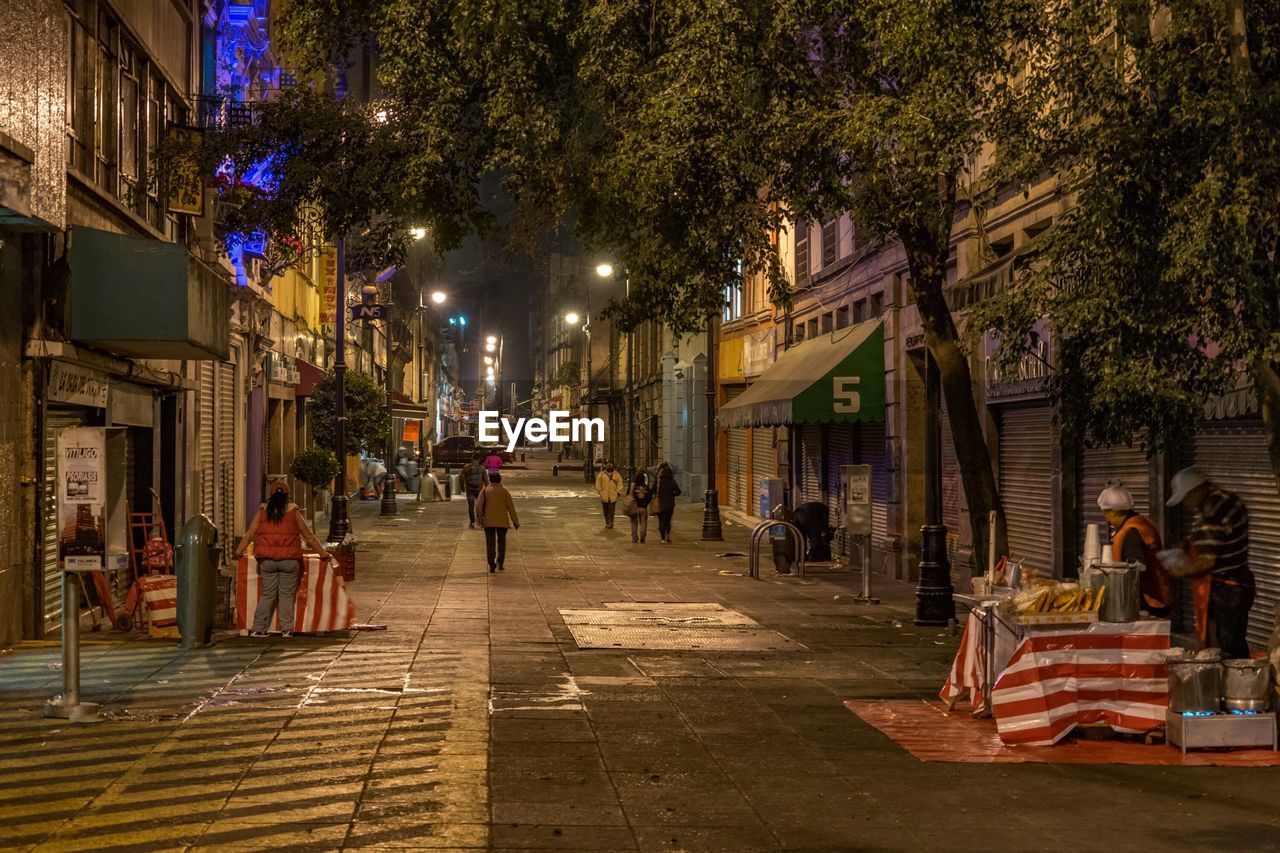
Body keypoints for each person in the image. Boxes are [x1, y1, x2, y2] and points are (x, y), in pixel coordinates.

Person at [1159, 467, 1254, 658]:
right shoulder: (1229, 500)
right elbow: (1218, 540)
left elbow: (1205, 562)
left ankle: (1224, 687)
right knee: (1236, 645)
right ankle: (1241, 683)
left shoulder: (1213, 510)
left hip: (1225, 592)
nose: (1187, 504)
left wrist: (1178, 570)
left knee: (1219, 652)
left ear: (1196, 489)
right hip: (1241, 585)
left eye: (1186, 497)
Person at [233, 477, 335, 638]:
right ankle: (286, 629)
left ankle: (259, 628)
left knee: (268, 594)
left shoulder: (262, 512)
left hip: (267, 561)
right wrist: (323, 553)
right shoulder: (294, 512)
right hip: (289, 561)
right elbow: (308, 536)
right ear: (287, 494)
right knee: (287, 596)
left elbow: (249, 535)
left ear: (271, 494)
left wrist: (238, 552)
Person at [1097, 482, 1172, 616]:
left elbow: (1136, 568)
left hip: (1149, 600)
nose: (1106, 519)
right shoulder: (1142, 522)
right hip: (1158, 593)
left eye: (1105, 513)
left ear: (1113, 511)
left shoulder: (1131, 533)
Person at [475, 471, 519, 572]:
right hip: (502, 521)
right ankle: (500, 562)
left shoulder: (485, 491)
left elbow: (478, 506)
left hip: (488, 521)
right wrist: (515, 521)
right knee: (502, 542)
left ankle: (491, 564)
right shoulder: (504, 491)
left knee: (490, 543)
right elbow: (511, 507)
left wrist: (479, 519)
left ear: (490, 480)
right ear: (500, 480)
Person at [654, 462, 682, 544]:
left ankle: (662, 539)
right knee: (668, 520)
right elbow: (678, 492)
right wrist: (672, 494)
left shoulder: (658, 481)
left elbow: (653, 490)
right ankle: (668, 536)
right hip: (670, 503)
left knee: (661, 521)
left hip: (660, 503)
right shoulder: (672, 481)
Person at [462, 452, 489, 529]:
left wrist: (462, 488)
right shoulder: (482, 468)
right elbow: (486, 480)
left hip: (469, 489)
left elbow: (461, 478)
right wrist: (487, 489)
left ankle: (472, 522)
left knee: (471, 506)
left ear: (472, 458)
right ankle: (481, 521)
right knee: (480, 506)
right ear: (479, 459)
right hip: (479, 490)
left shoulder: (466, 467)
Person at [595, 461, 624, 529]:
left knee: (611, 510)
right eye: (608, 465)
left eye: (611, 465)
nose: (609, 466)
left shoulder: (617, 475)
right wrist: (600, 492)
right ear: (606, 466)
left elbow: (620, 484)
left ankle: (611, 522)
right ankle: (607, 521)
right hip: (604, 496)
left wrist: (617, 492)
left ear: (613, 466)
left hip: (613, 496)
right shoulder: (602, 474)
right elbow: (598, 484)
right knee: (605, 510)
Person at [628, 472, 653, 544]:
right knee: (643, 522)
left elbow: (629, 495)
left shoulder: (633, 486)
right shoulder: (646, 487)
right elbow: (649, 496)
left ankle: (634, 538)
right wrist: (646, 503)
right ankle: (642, 537)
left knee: (634, 523)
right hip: (643, 508)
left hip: (634, 507)